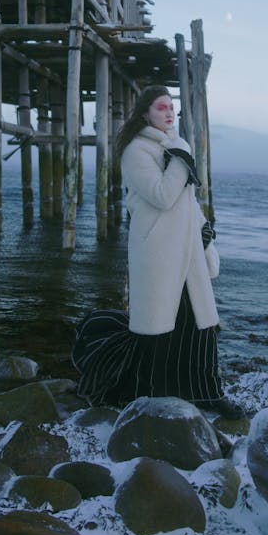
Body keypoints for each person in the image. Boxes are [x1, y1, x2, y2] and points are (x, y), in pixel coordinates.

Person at [72, 84, 243, 419]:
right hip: (159, 252)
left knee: (199, 327)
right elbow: (163, 196)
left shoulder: (170, 146)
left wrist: (205, 232)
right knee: (161, 328)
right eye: (162, 107)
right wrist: (181, 155)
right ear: (145, 112)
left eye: (171, 108)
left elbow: (186, 202)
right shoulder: (136, 151)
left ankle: (207, 392)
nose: (169, 113)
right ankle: (146, 389)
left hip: (186, 248)